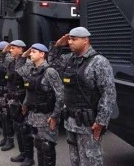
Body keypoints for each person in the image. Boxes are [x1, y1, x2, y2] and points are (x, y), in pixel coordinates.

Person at [48, 27, 117, 166]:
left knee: (90, 160)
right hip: (71, 121)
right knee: (75, 160)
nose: (70, 42)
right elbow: (52, 62)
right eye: (69, 39)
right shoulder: (69, 59)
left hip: (88, 124)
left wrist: (101, 122)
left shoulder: (99, 62)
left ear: (86, 40)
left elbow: (108, 93)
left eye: (74, 39)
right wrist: (57, 45)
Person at [15, 43, 64, 166]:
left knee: (47, 146)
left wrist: (55, 116)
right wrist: (25, 104)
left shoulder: (50, 72)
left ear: (42, 54)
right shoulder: (32, 70)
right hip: (34, 116)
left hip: (46, 116)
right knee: (38, 144)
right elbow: (19, 70)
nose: (31, 53)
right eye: (31, 52)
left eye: (34, 52)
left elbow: (61, 95)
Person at [3, 40, 35, 165]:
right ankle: (23, 153)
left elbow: (29, 85)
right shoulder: (12, 62)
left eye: (13, 48)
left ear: (21, 50)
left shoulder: (28, 63)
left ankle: (29, 157)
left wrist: (26, 103)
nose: (10, 50)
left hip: (23, 101)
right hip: (13, 100)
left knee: (25, 129)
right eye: (10, 48)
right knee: (17, 127)